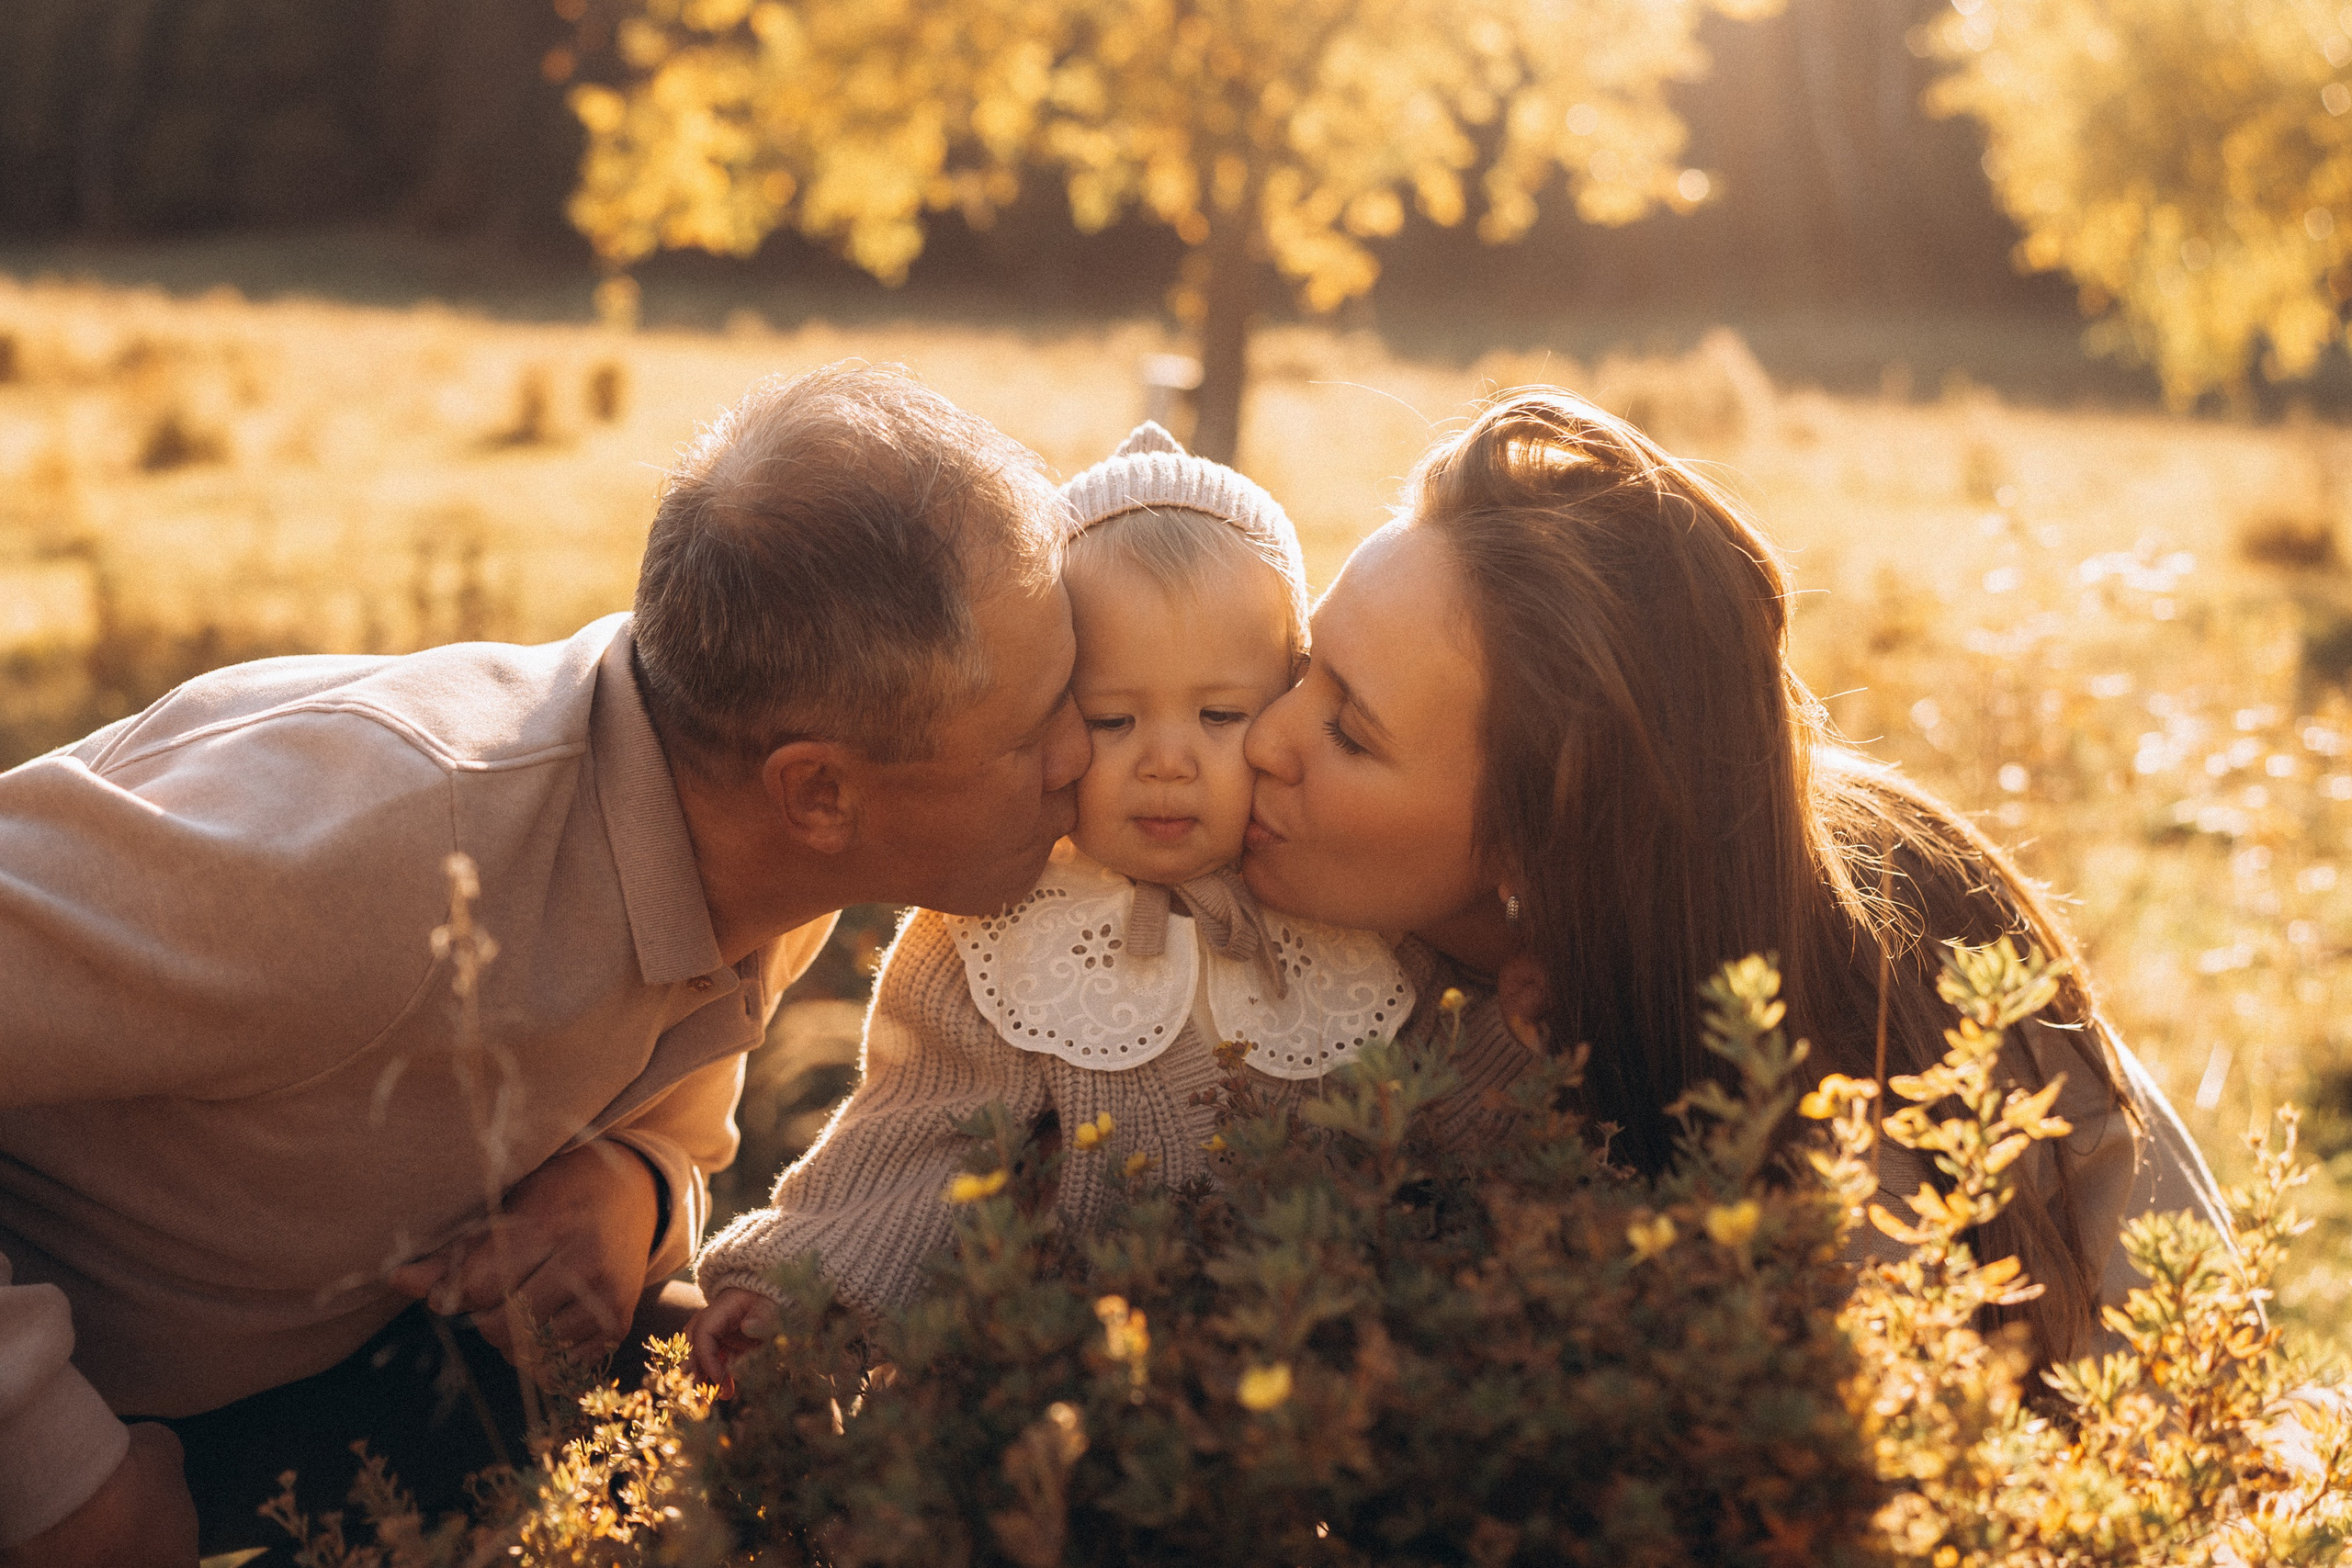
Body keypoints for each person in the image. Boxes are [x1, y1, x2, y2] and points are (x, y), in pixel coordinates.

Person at [0, 363, 1090, 1562]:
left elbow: (676, 1127)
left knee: (793, 1412)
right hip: (90, 1415)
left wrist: (629, 1189)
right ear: (819, 791)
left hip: (323, 1372)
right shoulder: (374, 842)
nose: (1087, 750)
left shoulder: (751, 853)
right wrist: (50, 1468)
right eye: (1037, 725)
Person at [1238, 387, 2226, 1368]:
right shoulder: (1207, 842)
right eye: (1305, 664)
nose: (1262, 738)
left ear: (1540, 841)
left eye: (1348, 731)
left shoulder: (1872, 1040)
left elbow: (2190, 1361)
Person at [687, 424, 1417, 1378]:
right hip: (1061, 1368)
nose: (1166, 760)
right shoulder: (1002, 930)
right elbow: (915, 1135)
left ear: (1284, 701)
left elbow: (1458, 1087)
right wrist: (797, 1287)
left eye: (1219, 715)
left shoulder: (1335, 895)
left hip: (1321, 1365)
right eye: (1113, 719)